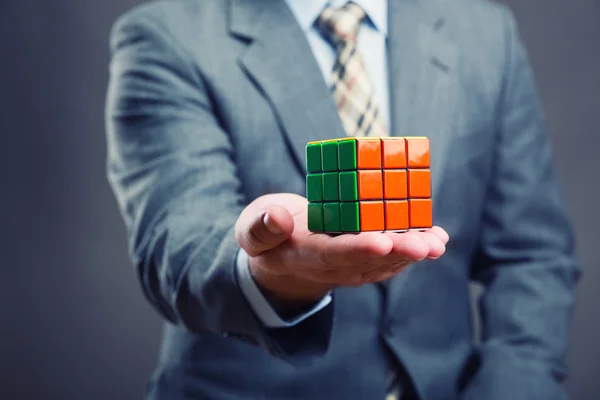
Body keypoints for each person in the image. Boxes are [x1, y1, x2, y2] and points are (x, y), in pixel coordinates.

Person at [105, 0, 580, 398]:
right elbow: (179, 247)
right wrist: (270, 274)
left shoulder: (486, 31)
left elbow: (532, 255)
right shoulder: (166, 35)